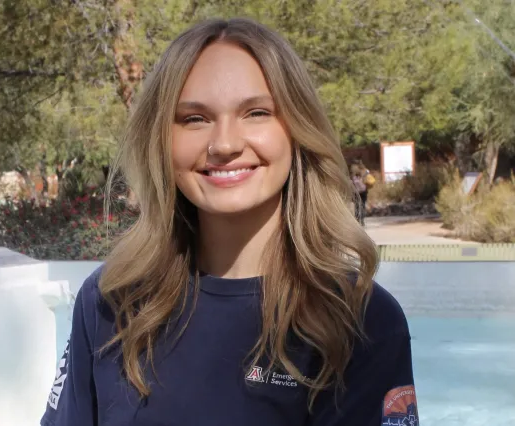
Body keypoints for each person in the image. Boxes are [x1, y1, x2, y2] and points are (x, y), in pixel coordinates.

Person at [41, 18, 418, 426]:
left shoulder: (359, 320)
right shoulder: (109, 300)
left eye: (256, 113)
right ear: (161, 142)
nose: (224, 144)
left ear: (297, 131)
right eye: (194, 118)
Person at [350, 158, 370, 226]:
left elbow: (350, 181)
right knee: (363, 205)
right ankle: (362, 220)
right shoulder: (364, 170)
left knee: (356, 206)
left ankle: (357, 220)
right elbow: (368, 178)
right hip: (364, 190)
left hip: (356, 191)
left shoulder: (352, 171)